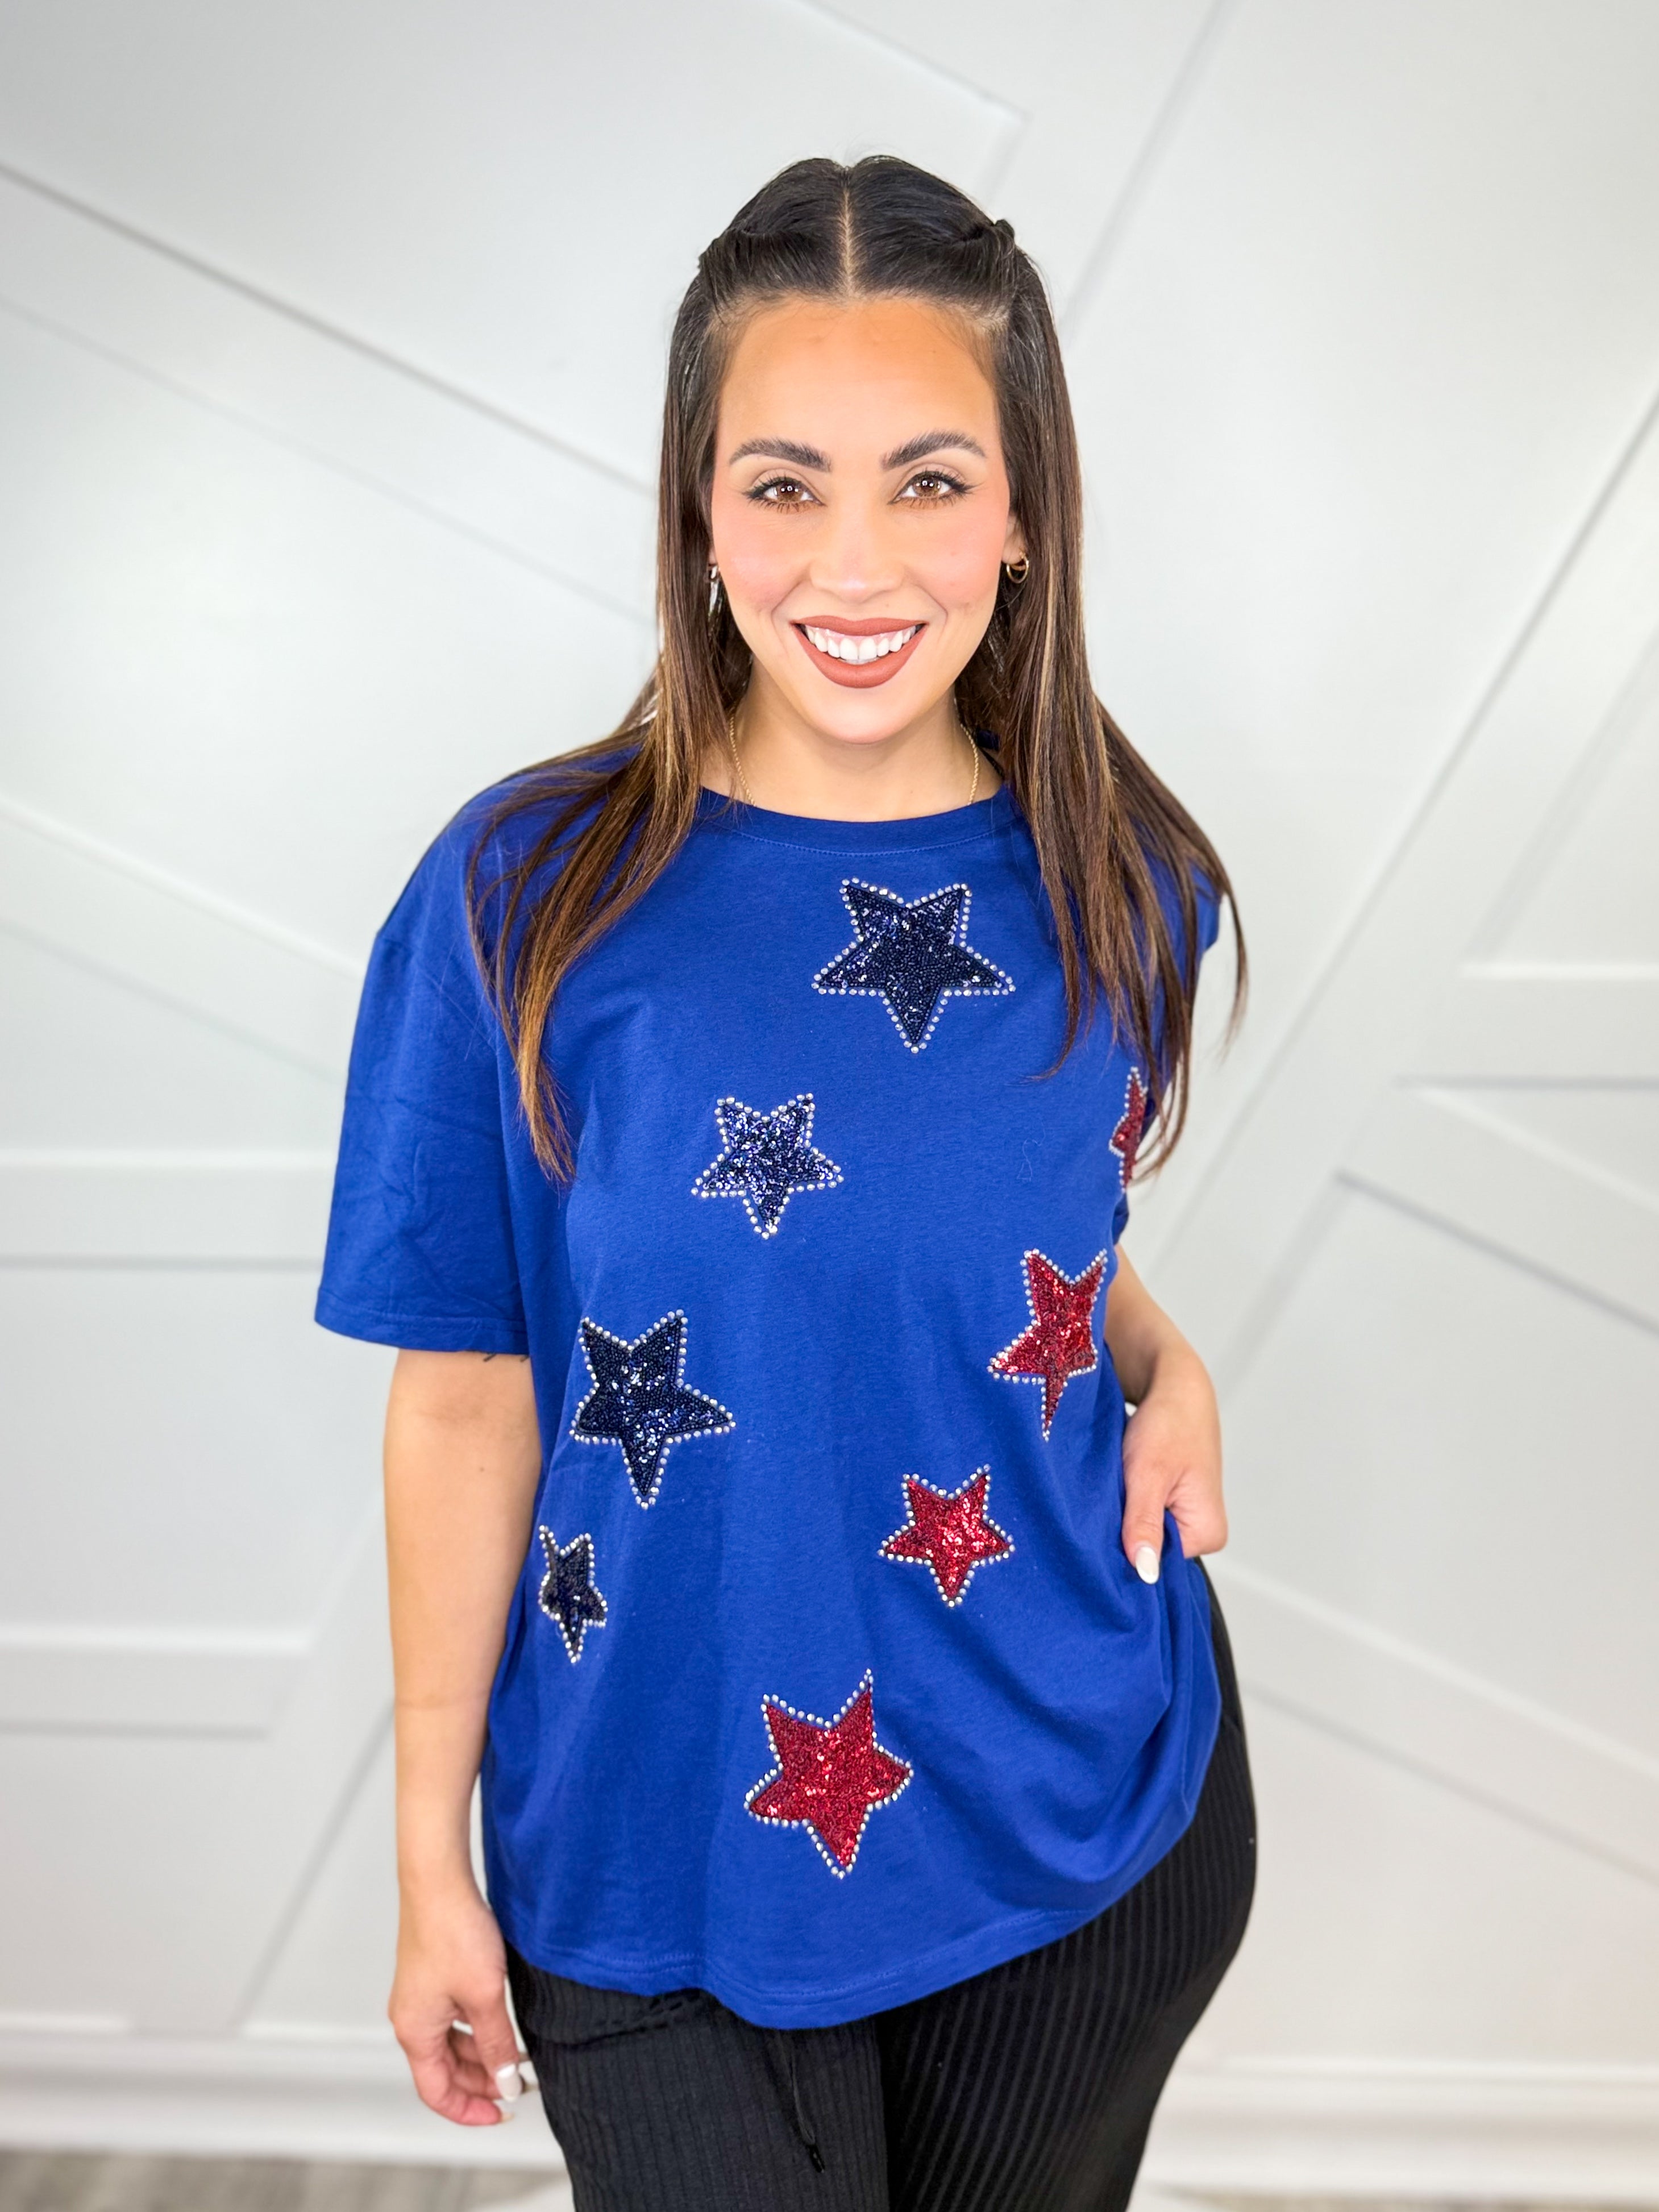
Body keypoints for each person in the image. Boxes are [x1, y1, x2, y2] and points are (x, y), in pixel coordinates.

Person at [317, 153, 1255, 2212]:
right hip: (650, 1824)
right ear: (698, 512)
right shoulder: (524, 899)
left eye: (929, 481)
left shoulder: (1127, 885)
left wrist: (1159, 1352)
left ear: (1022, 515)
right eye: (783, 484)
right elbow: (465, 1394)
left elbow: (1013, 1234)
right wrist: (424, 1854)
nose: (857, 558)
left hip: (1072, 1811)